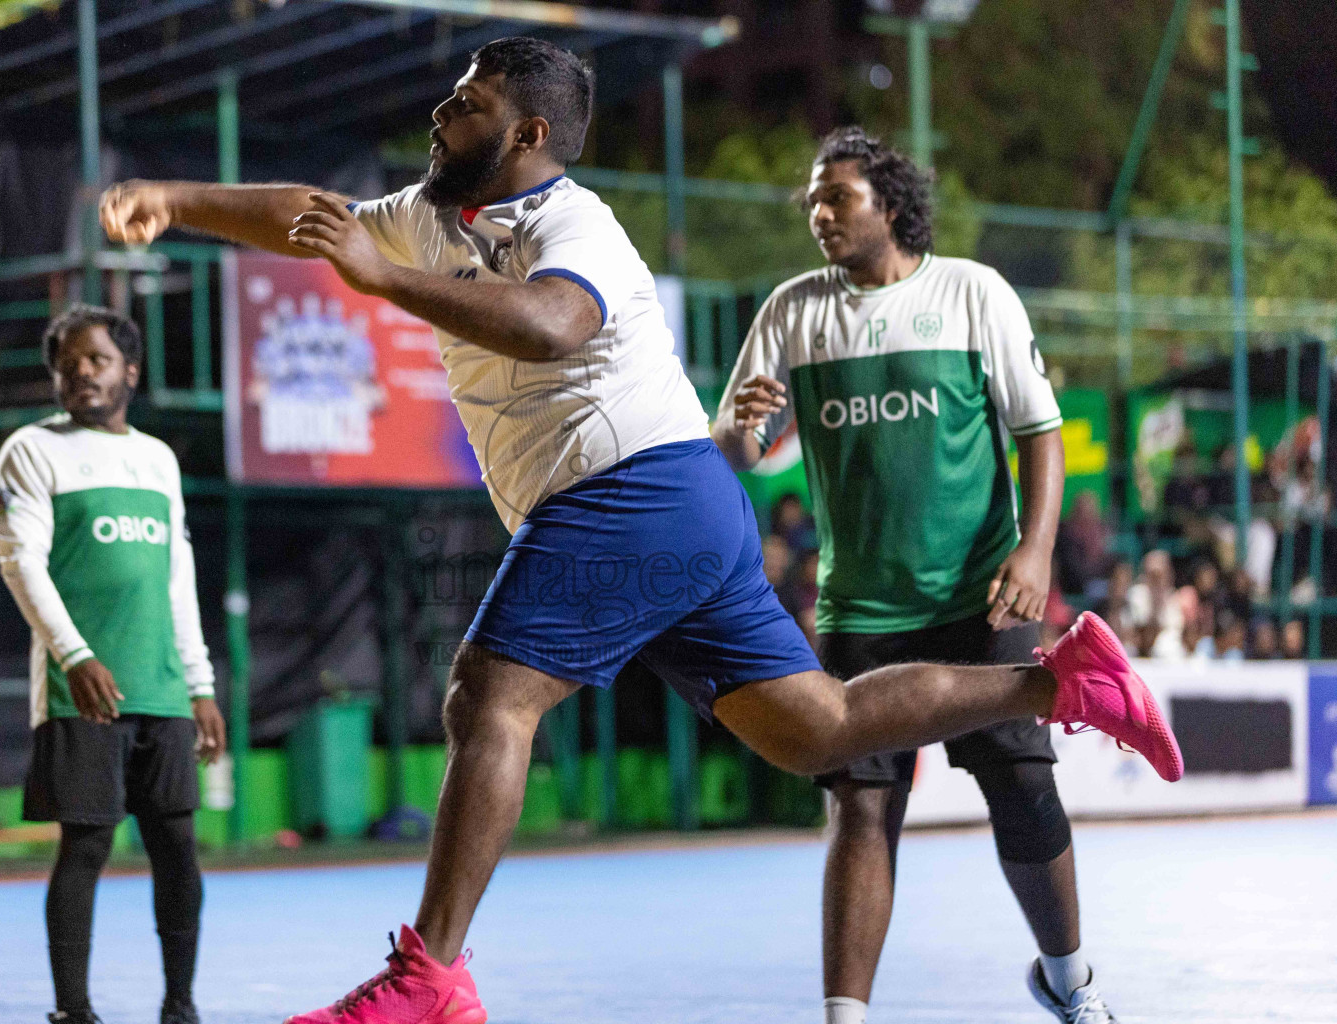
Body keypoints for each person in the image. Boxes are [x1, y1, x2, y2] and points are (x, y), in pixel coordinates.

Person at [99, 38, 1181, 1024]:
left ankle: (432, 977)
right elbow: (308, 212)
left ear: (526, 135)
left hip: (631, 487)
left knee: (490, 692)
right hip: (683, 500)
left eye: (465, 102)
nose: (440, 112)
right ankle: (1062, 683)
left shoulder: (574, 223)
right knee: (820, 730)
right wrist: (174, 198)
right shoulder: (433, 215)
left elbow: (553, 322)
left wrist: (388, 281)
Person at [712, 127, 1114, 1024]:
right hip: (861, 609)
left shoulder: (973, 292)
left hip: (982, 595)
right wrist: (743, 423)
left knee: (1022, 784)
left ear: (889, 204)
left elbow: (1039, 431)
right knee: (861, 804)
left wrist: (1036, 549)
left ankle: (1069, 982)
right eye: (813, 199)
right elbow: (732, 451)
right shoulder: (791, 310)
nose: (819, 214)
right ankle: (846, 1017)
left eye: (837, 197)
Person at [0, 305, 225, 1024]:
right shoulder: (31, 450)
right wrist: (77, 655)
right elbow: (20, 562)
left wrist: (200, 684)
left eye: (93, 359)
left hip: (161, 690)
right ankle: (74, 1011)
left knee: (178, 849)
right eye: (65, 362)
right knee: (86, 844)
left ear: (130, 370)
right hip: (79, 690)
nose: (78, 372)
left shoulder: (157, 459)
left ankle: (179, 1004)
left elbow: (176, 577)